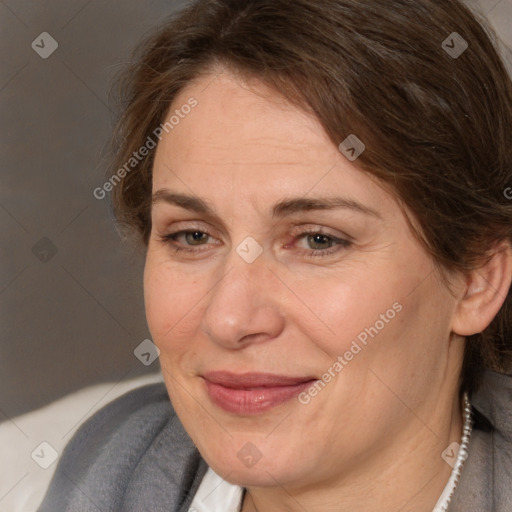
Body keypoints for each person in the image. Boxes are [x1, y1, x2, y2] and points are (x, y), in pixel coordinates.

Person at [39, 0, 512, 510]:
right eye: (193, 236)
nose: (229, 319)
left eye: (318, 240)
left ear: (477, 278)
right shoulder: (68, 466)